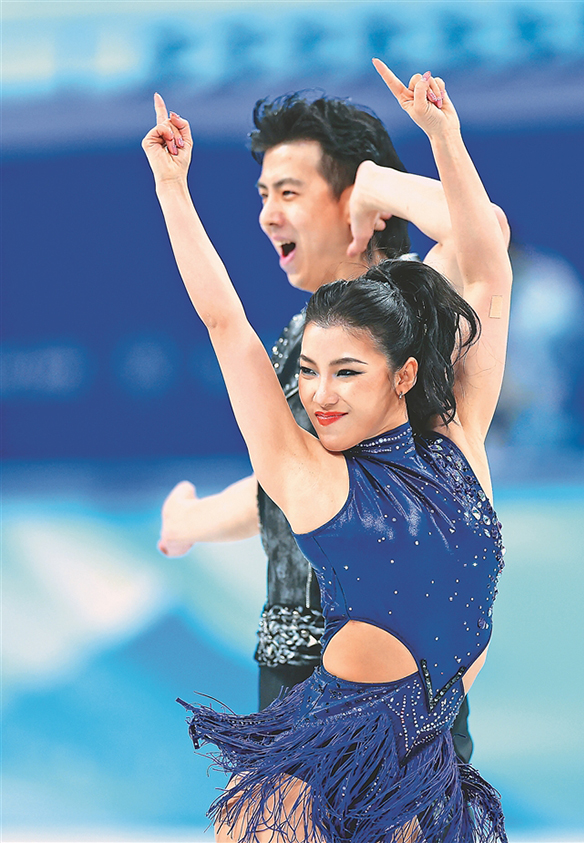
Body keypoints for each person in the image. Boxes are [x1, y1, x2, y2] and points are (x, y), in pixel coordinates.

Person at [142, 59, 511, 842]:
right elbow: (227, 333)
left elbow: (488, 249)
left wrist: (422, 148)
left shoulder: (432, 356)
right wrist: (172, 189)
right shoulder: (307, 420)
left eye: (289, 191)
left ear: (402, 373)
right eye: (310, 372)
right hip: (313, 696)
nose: (317, 394)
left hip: (419, 739)